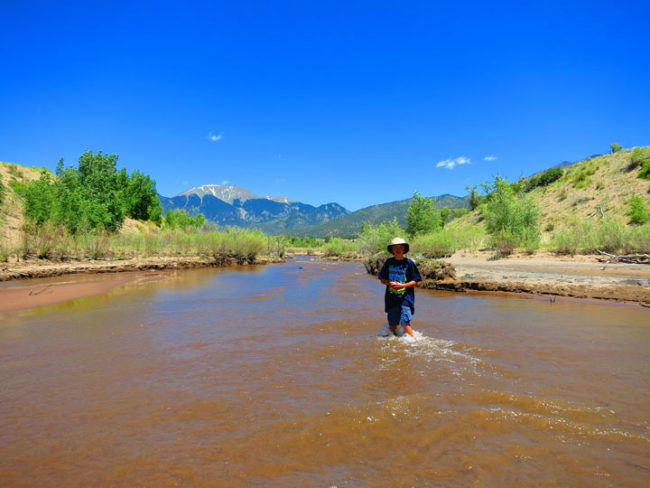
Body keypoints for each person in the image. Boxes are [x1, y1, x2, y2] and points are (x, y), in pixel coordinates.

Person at [378, 237, 422, 337]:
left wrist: (403, 285)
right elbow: (382, 280)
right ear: (392, 250)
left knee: (405, 323)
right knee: (392, 326)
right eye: (395, 247)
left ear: (404, 249)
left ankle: (415, 342)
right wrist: (390, 283)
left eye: (400, 247)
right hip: (391, 297)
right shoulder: (388, 263)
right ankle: (396, 340)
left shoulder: (409, 263)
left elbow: (416, 281)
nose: (398, 249)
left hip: (406, 297)